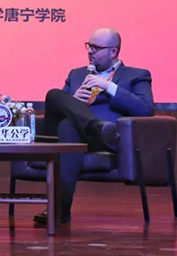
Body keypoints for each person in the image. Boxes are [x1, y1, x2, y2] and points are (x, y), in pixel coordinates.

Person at [34, 27, 154, 225]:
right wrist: (74, 100)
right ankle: (96, 126)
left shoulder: (136, 75)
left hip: (106, 139)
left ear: (113, 51)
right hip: (76, 134)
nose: (90, 51)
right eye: (89, 46)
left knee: (68, 128)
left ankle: (58, 208)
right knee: (55, 97)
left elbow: (145, 109)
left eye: (96, 48)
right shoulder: (76, 74)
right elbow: (59, 107)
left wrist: (109, 86)